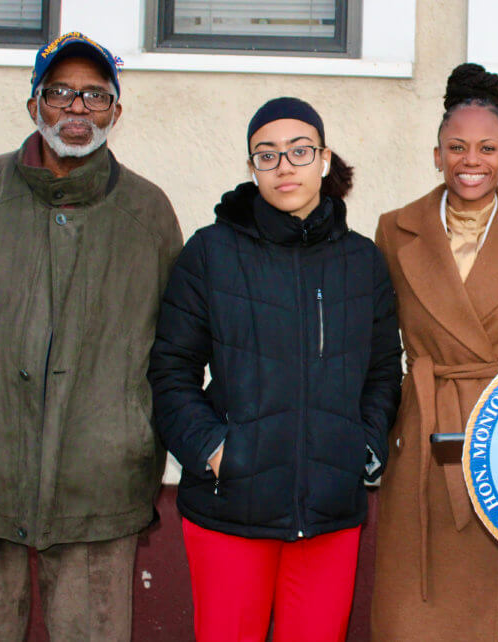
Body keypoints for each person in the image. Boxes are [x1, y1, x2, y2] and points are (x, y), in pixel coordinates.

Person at [0, 32, 183, 639]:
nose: (77, 109)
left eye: (95, 96)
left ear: (116, 113)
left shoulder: (148, 215)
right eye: (60, 93)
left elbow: (173, 345)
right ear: (34, 105)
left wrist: (122, 424)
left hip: (99, 487)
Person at [147, 97, 402, 641]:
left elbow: (383, 370)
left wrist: (366, 447)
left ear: (324, 159)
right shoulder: (211, 253)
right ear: (252, 167)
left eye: (299, 150)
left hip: (330, 513)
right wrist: (214, 452)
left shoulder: (362, 260)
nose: (284, 165)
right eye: (267, 154)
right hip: (230, 509)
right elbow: (170, 371)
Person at [370, 63, 498, 641]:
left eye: (486, 148)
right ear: (436, 155)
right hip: (425, 430)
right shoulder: (394, 229)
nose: (471, 160)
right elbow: (379, 343)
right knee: (418, 602)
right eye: (456, 147)